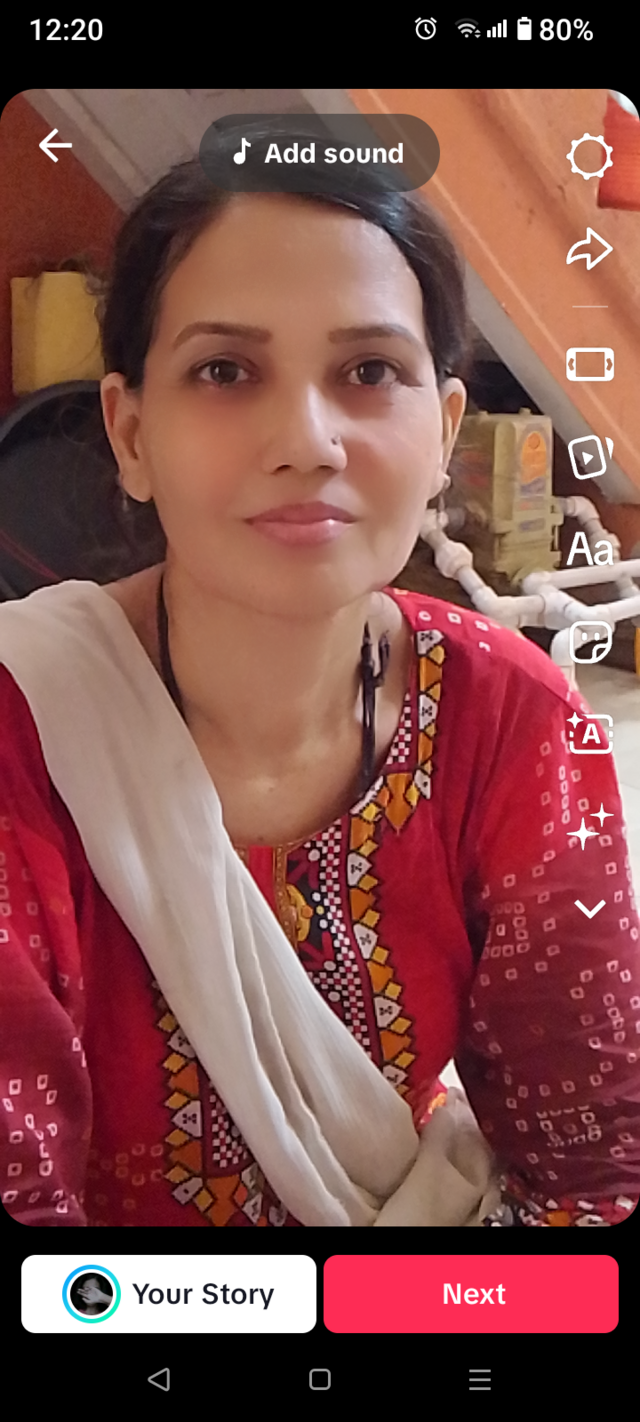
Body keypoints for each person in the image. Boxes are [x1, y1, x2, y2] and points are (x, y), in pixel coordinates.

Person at [1, 127, 639, 1228]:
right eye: (224, 370)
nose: (307, 440)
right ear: (131, 432)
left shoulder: (511, 717)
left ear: (442, 433)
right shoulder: (25, 730)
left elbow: (592, 1160)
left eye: (369, 372)